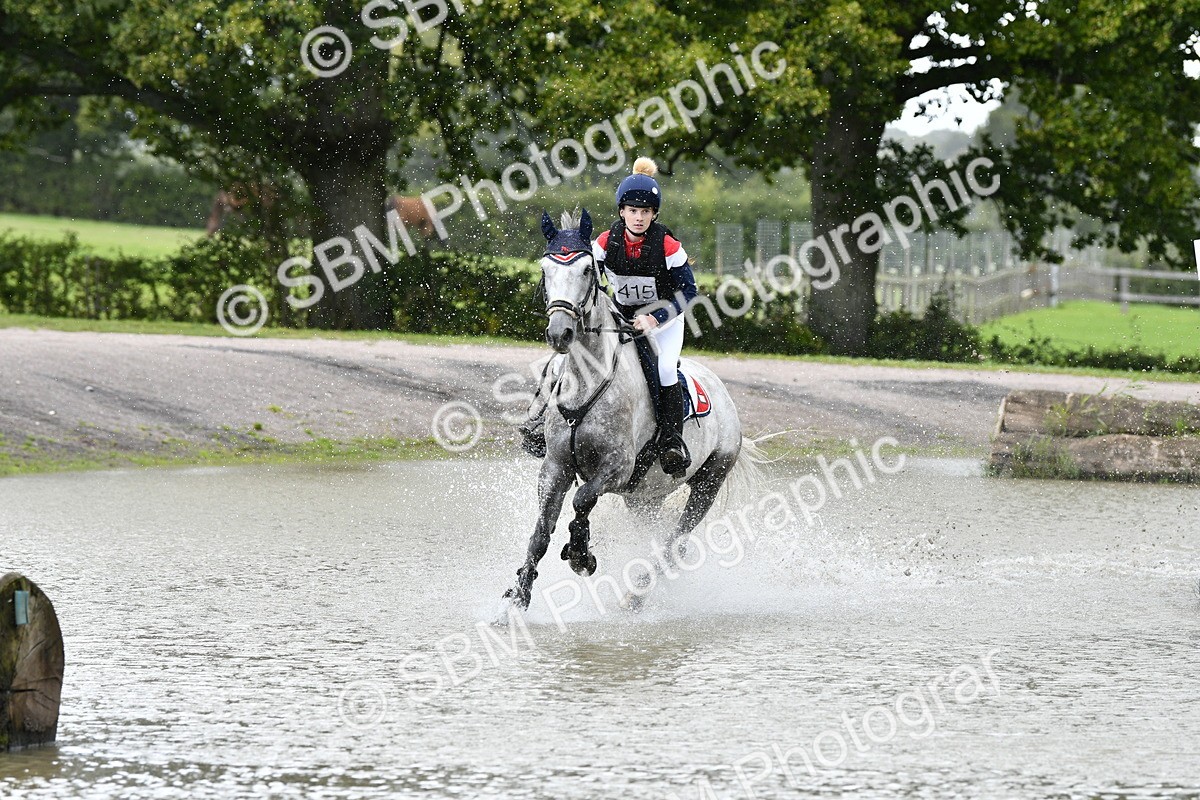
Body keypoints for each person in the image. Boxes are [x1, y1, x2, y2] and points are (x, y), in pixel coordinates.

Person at [520, 157, 699, 477]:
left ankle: (672, 441)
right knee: (566, 359)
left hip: (664, 322)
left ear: (654, 214)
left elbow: (688, 291)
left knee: (665, 368)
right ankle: (537, 422)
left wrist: (655, 319)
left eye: (645, 212)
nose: (639, 217)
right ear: (622, 212)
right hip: (619, 319)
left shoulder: (668, 245)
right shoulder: (605, 242)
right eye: (633, 211)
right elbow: (584, 274)